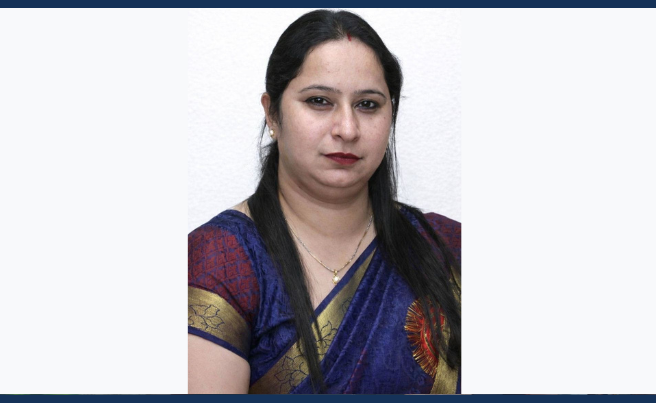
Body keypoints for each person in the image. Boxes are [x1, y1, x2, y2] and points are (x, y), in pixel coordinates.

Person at [188, 9, 461, 394]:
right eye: (319, 101)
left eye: (368, 105)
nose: (347, 129)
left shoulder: (447, 249)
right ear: (272, 113)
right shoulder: (221, 260)